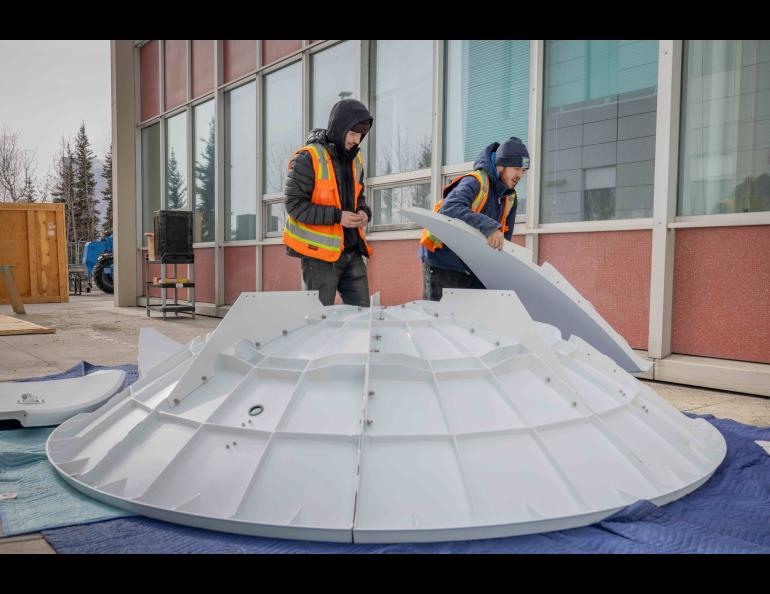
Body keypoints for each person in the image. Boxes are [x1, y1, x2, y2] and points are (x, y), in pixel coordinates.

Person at [283, 98, 374, 307]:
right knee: (318, 321)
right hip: (319, 256)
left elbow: (359, 197)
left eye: (361, 135)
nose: (356, 140)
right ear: (339, 127)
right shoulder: (308, 158)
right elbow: (294, 205)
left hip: (351, 251)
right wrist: (337, 216)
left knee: (361, 317)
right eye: (352, 133)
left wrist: (363, 211)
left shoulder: (356, 160)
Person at [418, 136, 529, 301]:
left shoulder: (509, 197)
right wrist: (489, 227)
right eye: (516, 168)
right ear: (502, 165)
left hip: (473, 267)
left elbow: (504, 240)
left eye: (524, 171)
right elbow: (449, 209)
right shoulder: (475, 181)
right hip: (444, 262)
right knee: (441, 320)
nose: (520, 174)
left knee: (472, 322)